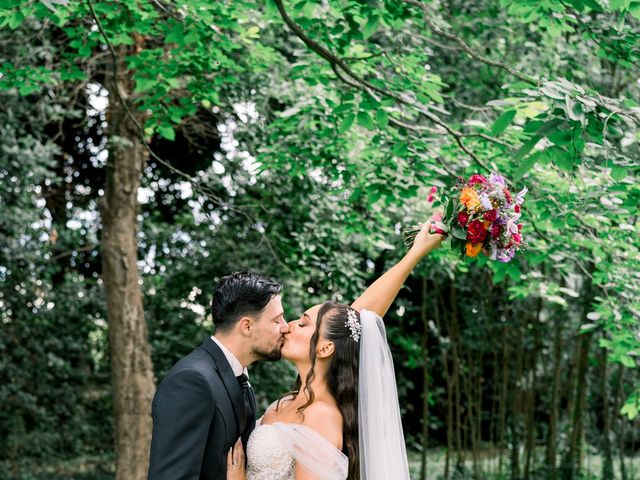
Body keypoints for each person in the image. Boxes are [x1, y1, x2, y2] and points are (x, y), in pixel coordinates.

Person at [228, 224, 444, 480]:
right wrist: (414, 253)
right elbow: (353, 320)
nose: (288, 326)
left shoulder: (322, 416)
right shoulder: (291, 399)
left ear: (325, 347)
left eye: (303, 322)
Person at [147, 272, 289, 480]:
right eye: (277, 320)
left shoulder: (237, 375)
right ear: (247, 326)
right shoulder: (191, 381)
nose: (285, 327)